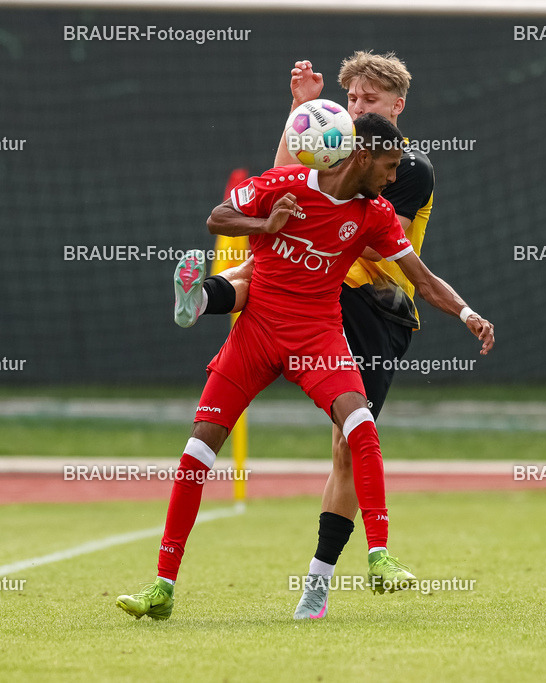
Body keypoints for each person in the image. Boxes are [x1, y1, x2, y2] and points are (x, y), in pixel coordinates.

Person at [117, 113, 493, 621]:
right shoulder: (286, 183)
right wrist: (265, 225)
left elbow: (422, 280)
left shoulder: (376, 214)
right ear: (361, 156)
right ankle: (162, 587)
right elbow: (217, 218)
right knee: (198, 447)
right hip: (256, 332)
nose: (392, 176)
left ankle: (379, 556)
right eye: (387, 165)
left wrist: (467, 313)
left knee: (360, 423)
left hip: (317, 335)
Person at [173, 52, 439, 619]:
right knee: (268, 266)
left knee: (347, 444)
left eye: (368, 101)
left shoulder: (405, 168)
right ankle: (203, 297)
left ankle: (317, 584)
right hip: (321, 291)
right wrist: (299, 114)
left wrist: (292, 210)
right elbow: (286, 189)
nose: (357, 109)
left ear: (397, 106)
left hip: (376, 309)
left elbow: (345, 224)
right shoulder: (342, 148)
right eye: (350, 101)